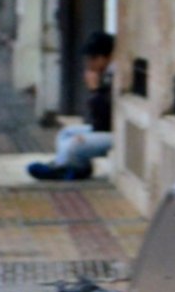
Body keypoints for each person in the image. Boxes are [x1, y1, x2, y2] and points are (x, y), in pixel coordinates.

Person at [28, 32, 116, 181]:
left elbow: (103, 120)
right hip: (104, 129)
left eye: (91, 59)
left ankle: (67, 169)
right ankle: (62, 166)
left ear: (102, 58)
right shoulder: (104, 73)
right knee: (66, 133)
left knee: (74, 144)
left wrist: (95, 90)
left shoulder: (113, 76)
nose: (88, 64)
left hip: (114, 134)